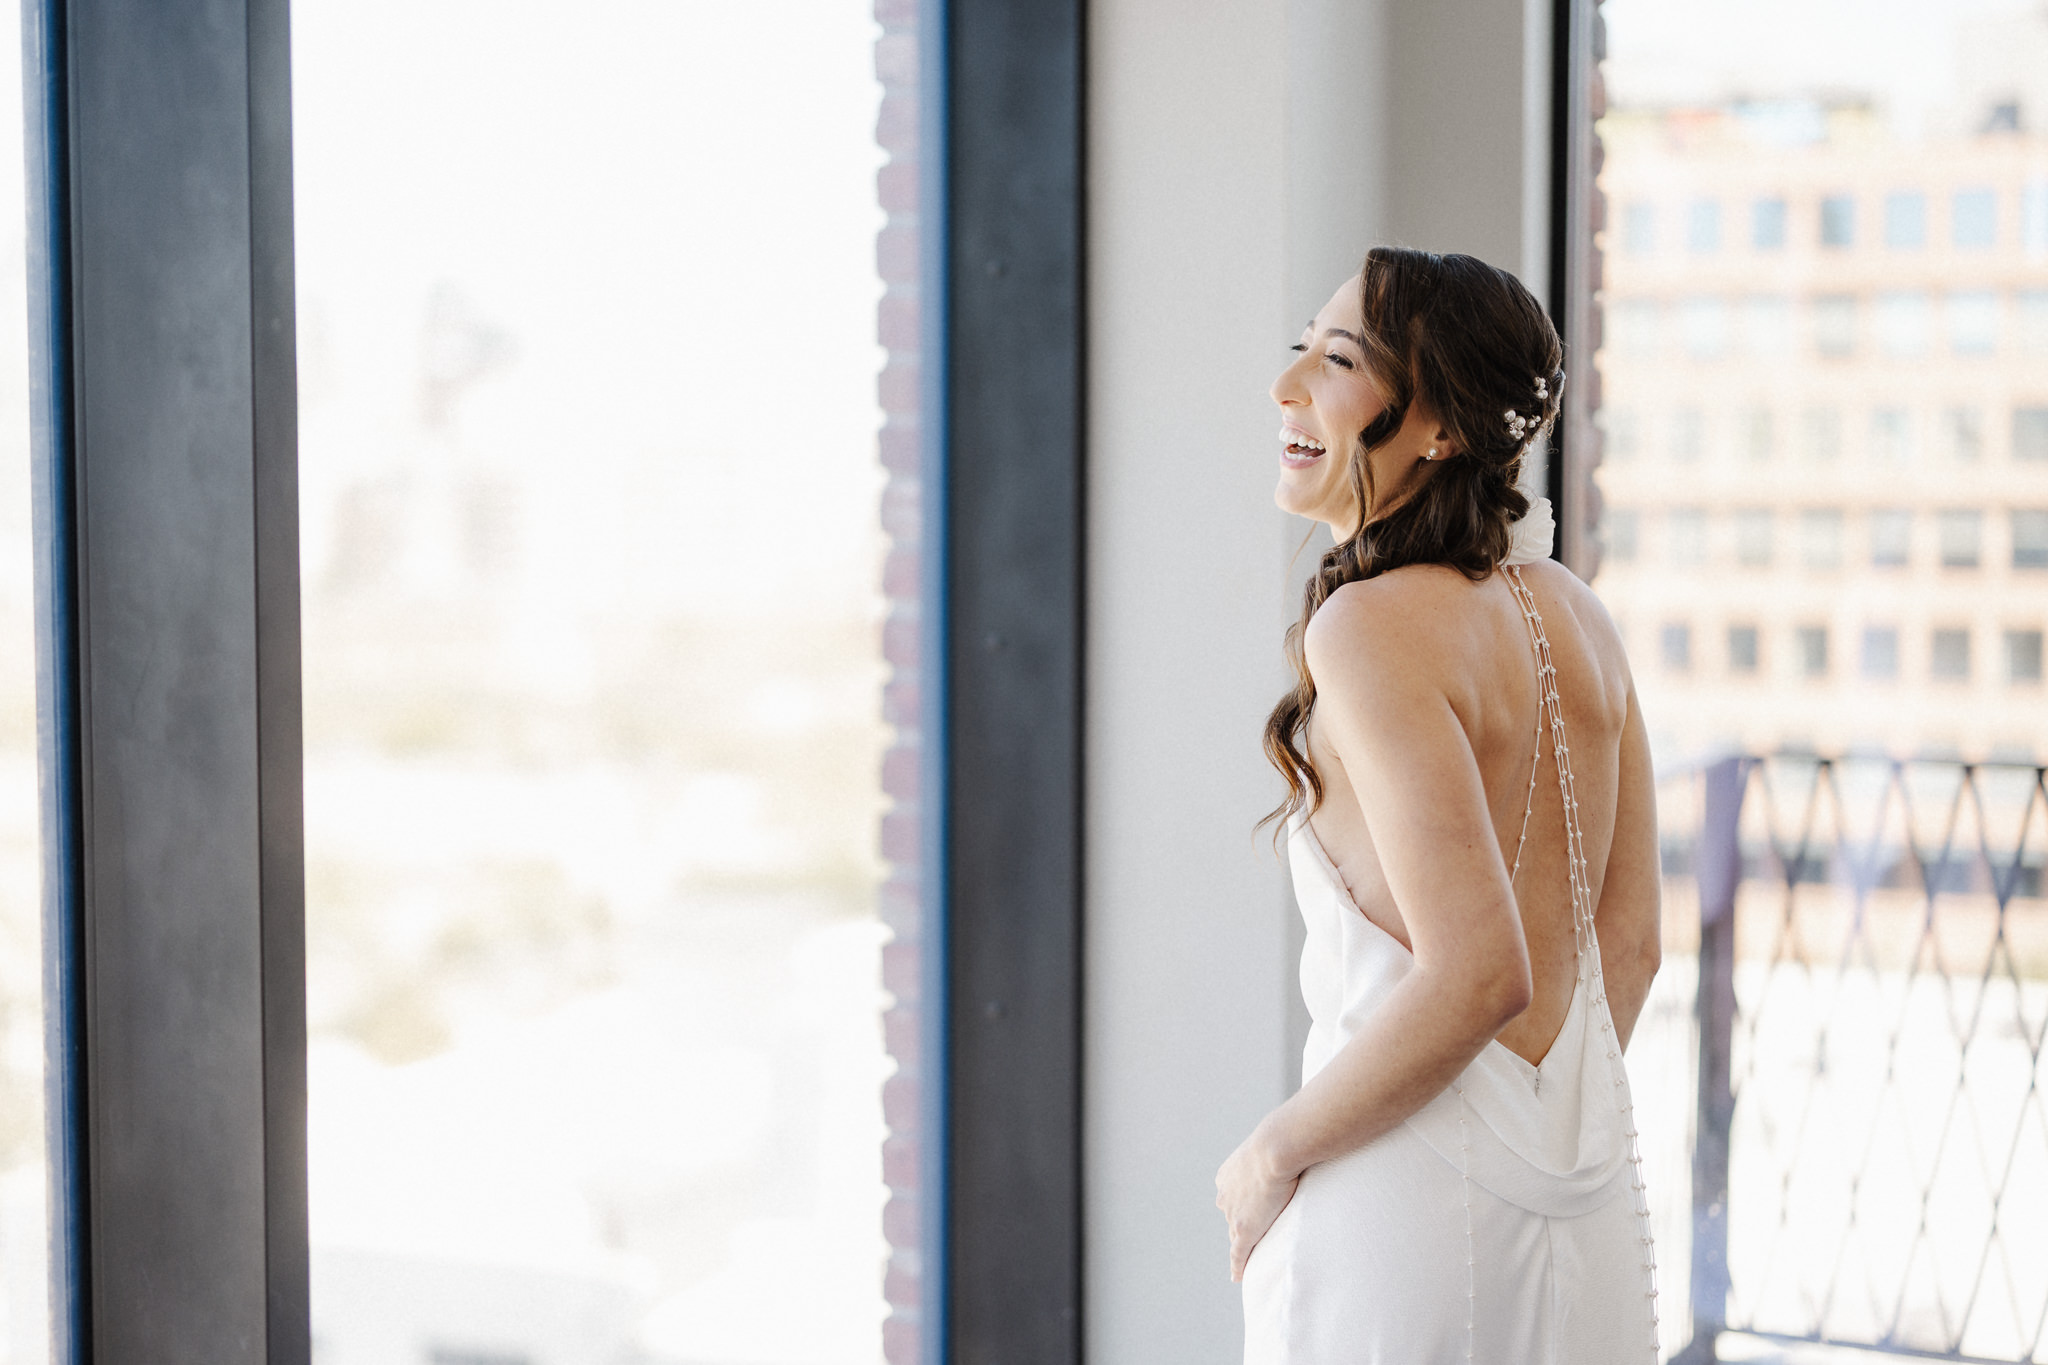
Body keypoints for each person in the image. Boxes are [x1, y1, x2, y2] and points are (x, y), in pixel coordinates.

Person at [1219, 248, 1663, 1364]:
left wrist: (1269, 1155)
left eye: (1337, 362)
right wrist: (1536, 1141)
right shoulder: (1578, 617)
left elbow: (1477, 972)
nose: (1287, 389)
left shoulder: (1365, 625)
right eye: (1298, 352)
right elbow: (1634, 948)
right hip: (1585, 1198)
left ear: (1441, 429)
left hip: (1398, 1205)